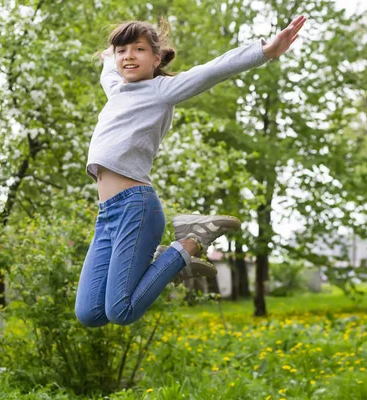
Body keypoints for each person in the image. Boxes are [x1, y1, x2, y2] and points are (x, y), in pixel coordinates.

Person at [75, 15, 306, 327]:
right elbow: (109, 71)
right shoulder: (116, 90)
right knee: (90, 314)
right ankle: (167, 262)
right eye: (122, 50)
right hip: (108, 215)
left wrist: (265, 51)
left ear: (156, 58)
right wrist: (107, 57)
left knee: (122, 311)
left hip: (136, 206)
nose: (129, 55)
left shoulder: (161, 90)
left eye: (139, 49)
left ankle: (190, 241)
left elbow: (210, 71)